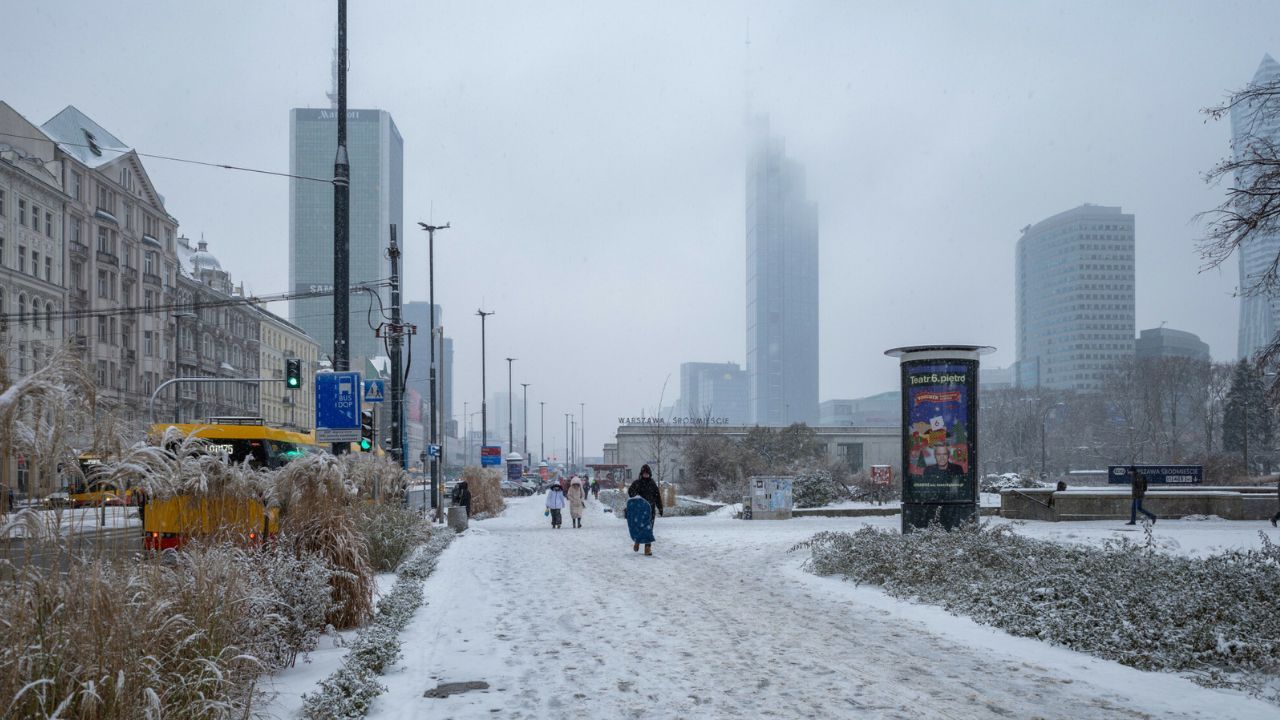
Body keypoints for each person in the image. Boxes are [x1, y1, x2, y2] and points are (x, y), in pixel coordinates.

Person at [626, 464, 663, 555]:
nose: (646, 475)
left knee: (649, 529)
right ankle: (637, 542)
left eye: (647, 473)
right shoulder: (637, 483)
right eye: (644, 473)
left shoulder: (652, 484)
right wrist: (634, 493)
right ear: (642, 474)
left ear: (649, 474)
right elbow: (630, 492)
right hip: (640, 510)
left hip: (650, 510)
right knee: (639, 527)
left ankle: (647, 548)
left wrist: (660, 507)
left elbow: (657, 496)